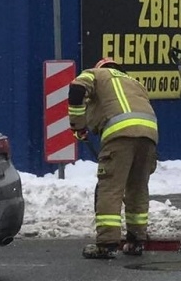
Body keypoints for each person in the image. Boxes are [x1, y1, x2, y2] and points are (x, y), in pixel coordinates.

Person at [67, 58, 159, 259]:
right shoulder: (134, 83)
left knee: (110, 188)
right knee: (138, 188)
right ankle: (136, 241)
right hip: (149, 136)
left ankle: (107, 243)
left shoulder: (96, 74)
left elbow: (76, 90)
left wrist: (77, 125)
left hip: (120, 136)